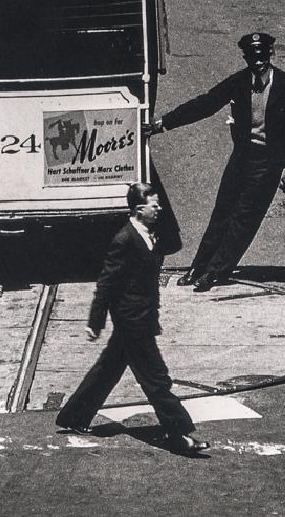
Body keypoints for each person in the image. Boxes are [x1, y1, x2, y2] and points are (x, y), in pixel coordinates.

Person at [149, 33, 285, 293]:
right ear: (246, 58)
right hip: (242, 157)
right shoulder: (239, 82)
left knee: (244, 218)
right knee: (222, 212)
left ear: (270, 56)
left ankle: (215, 272)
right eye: (252, 58)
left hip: (269, 162)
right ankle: (198, 267)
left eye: (262, 57)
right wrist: (163, 124)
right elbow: (206, 103)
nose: (257, 63)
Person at [55, 182, 209, 453]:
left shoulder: (151, 234)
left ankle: (74, 416)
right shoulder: (124, 240)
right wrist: (96, 321)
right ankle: (178, 433)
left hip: (144, 316)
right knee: (156, 379)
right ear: (140, 209)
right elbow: (107, 283)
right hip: (132, 321)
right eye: (154, 205)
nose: (160, 209)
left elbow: (175, 242)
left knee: (108, 370)